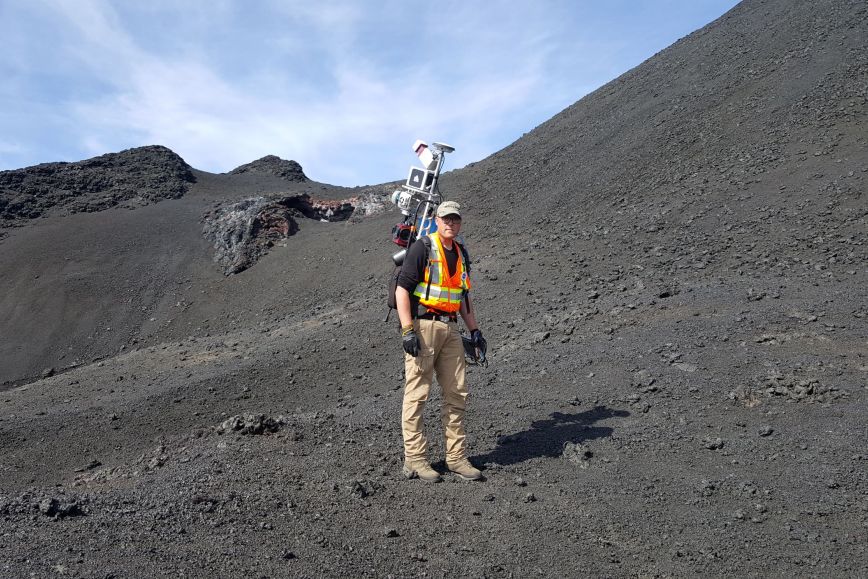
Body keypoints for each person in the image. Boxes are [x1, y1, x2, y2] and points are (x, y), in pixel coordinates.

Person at [394, 200, 487, 482]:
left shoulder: (460, 252)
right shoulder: (424, 246)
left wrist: (475, 331)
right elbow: (402, 289)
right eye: (446, 219)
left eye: (455, 219)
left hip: (451, 330)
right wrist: (407, 330)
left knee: (456, 394)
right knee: (417, 395)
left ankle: (456, 458)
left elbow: (463, 297)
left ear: (460, 223)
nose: (450, 223)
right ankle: (416, 459)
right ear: (437, 220)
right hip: (424, 326)